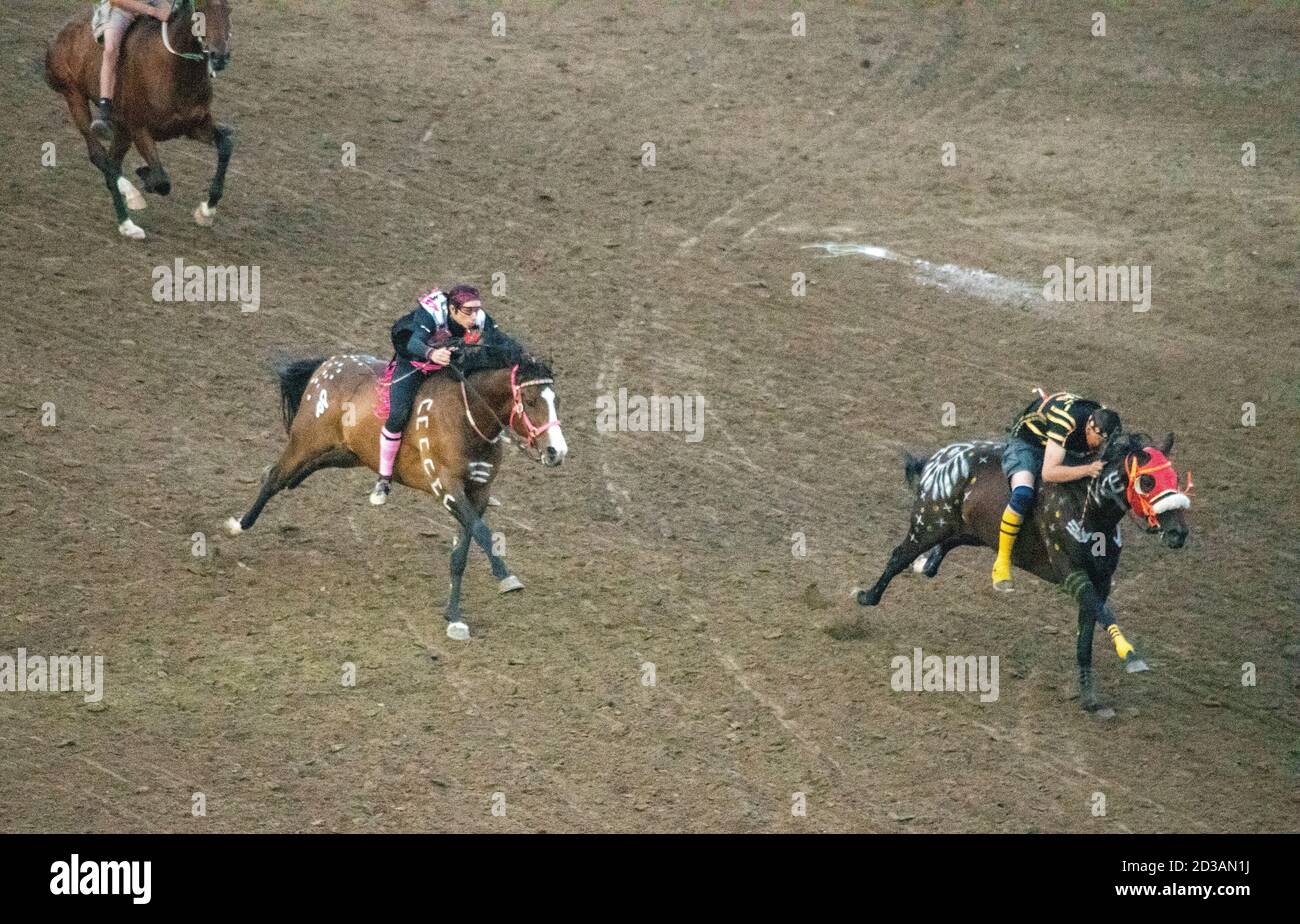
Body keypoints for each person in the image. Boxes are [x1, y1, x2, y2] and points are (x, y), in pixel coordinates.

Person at [369, 284, 497, 505]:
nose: (475, 316)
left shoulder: (479, 318)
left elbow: (499, 341)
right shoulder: (432, 312)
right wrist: (432, 353)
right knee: (398, 415)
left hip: (445, 365)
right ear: (452, 310)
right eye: (469, 311)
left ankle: (475, 486)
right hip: (414, 364)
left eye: (477, 310)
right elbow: (414, 342)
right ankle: (384, 478)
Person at [992, 391, 1122, 590]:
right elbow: (1049, 473)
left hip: (1060, 445)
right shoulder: (1066, 423)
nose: (1101, 447)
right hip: (1028, 444)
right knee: (1023, 495)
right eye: (1099, 441)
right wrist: (1087, 469)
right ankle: (1002, 561)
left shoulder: (1102, 420)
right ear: (1090, 428)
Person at [90, 1, 171, 140]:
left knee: (180, 26)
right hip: (121, 9)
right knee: (110, 50)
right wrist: (152, 11)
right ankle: (104, 111)